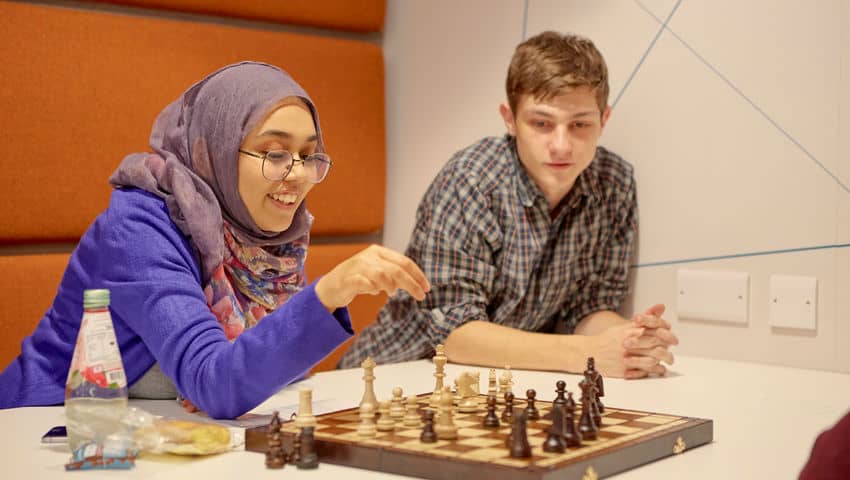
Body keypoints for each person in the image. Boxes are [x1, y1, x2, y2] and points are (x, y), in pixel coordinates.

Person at [0, 62, 430, 418]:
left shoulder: (265, 233)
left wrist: (225, 373)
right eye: (275, 153)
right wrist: (329, 293)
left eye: (308, 155)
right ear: (213, 153)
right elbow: (218, 383)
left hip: (157, 433)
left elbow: (270, 371)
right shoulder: (139, 227)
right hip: (51, 432)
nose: (297, 174)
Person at [339, 32, 676, 379]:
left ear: (603, 120)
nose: (561, 145)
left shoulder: (614, 182)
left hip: (499, 382)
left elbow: (588, 309)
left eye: (580, 124)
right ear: (510, 119)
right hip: (392, 376)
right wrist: (587, 354)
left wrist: (630, 340)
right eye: (541, 123)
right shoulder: (470, 181)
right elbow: (454, 334)